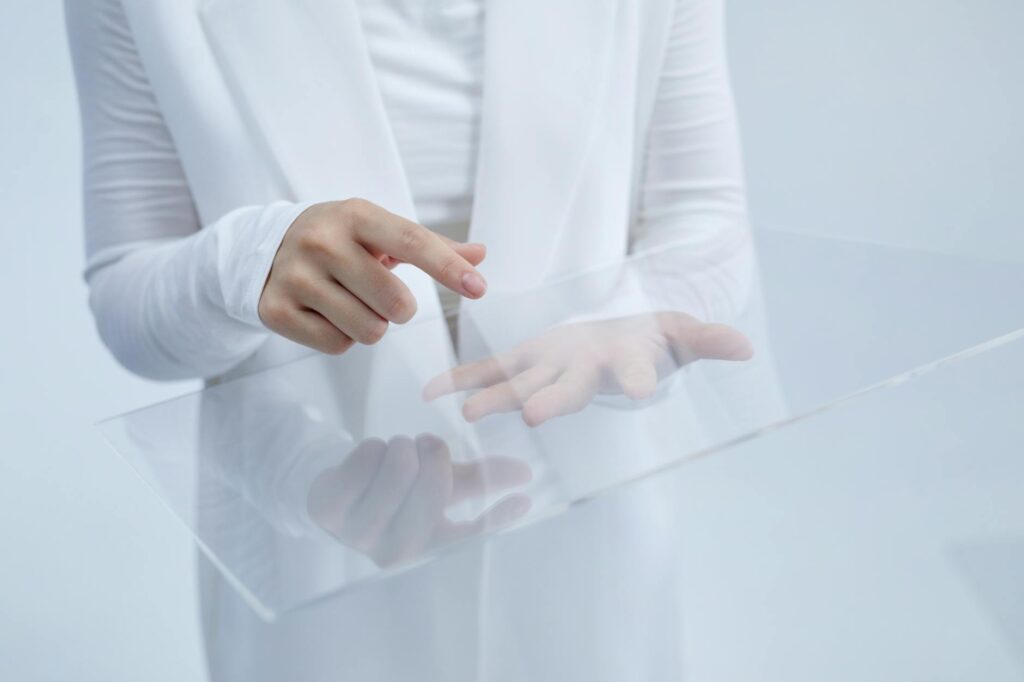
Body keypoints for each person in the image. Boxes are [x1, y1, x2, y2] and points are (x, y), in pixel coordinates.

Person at [67, 0, 755, 679]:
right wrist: (246, 259)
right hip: (315, 512)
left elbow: (705, 214)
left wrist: (630, 319)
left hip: (587, 510)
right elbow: (127, 294)